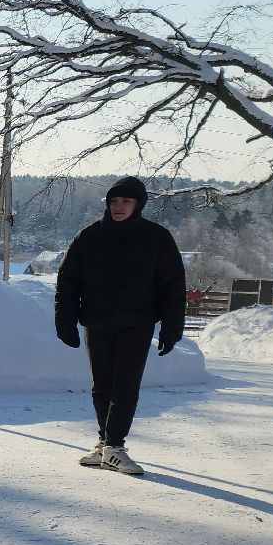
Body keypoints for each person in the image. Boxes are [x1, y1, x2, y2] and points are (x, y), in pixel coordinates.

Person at [53, 176, 187, 476]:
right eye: (114, 201)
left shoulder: (157, 238)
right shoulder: (88, 238)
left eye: (125, 201)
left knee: (125, 386)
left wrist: (172, 326)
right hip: (98, 323)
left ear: (138, 204)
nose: (118, 207)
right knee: (101, 386)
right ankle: (106, 445)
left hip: (136, 324)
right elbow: (68, 283)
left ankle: (114, 445)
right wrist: (65, 320)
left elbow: (173, 286)